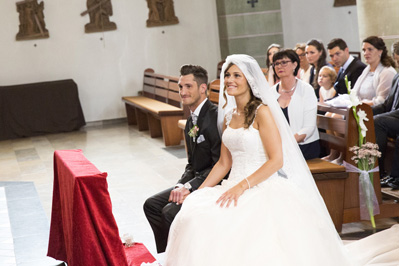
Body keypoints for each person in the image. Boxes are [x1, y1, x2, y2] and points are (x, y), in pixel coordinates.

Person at [163, 54, 399, 266]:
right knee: (195, 210)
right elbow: (224, 163)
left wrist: (241, 187)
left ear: (249, 80)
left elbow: (276, 161)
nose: (231, 79)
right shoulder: (228, 116)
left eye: (237, 75)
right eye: (227, 75)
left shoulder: (262, 112)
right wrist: (201, 191)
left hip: (260, 186)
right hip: (232, 184)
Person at [143, 65, 222, 253]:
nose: (182, 92)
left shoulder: (214, 117)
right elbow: (191, 164)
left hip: (215, 182)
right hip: (196, 179)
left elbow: (220, 164)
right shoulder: (191, 121)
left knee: (169, 211)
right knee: (151, 205)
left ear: (203, 88)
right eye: (180, 87)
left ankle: (183, 257)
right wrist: (180, 185)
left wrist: (191, 187)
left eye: (188, 86)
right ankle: (166, 256)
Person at [272, 49, 320, 160]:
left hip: (304, 146)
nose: (279, 66)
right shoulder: (271, 93)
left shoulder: (306, 90)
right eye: (276, 64)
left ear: (295, 64)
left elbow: (309, 127)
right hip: (279, 147)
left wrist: (286, 144)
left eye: (284, 62)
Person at [374, 40, 399, 189]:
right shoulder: (397, 76)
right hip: (395, 116)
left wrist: (385, 116)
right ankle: (389, 175)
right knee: (370, 118)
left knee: (379, 122)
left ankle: (380, 172)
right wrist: (364, 110)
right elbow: (387, 104)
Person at [352, 36, 396, 106]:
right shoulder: (366, 70)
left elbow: (382, 101)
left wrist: (360, 104)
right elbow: (354, 94)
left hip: (374, 111)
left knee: (336, 115)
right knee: (331, 113)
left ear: (380, 51)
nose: (366, 53)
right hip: (360, 107)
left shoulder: (387, 72)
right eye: (364, 50)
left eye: (370, 49)